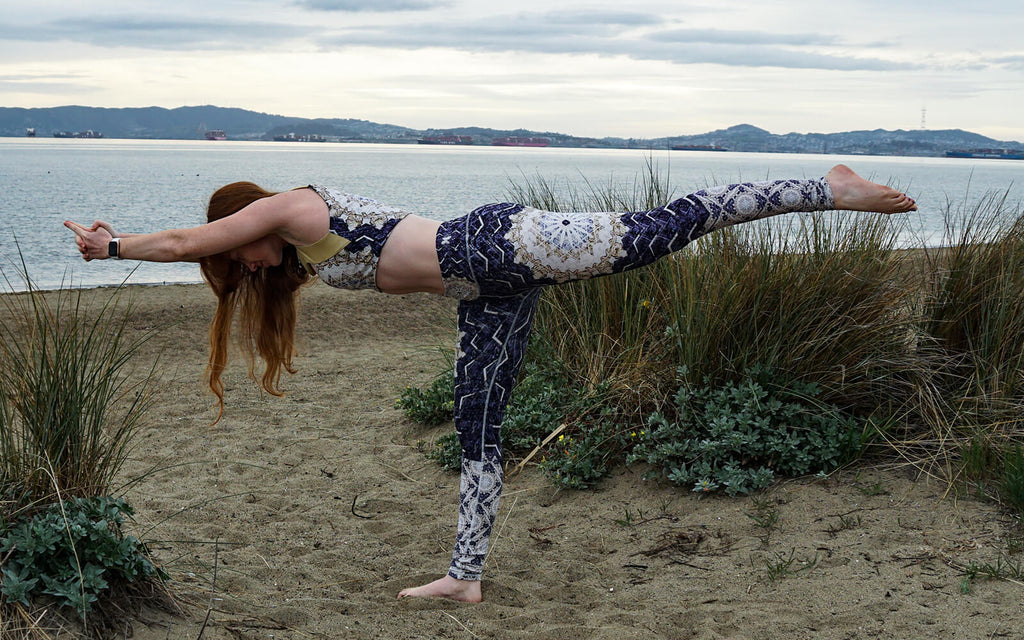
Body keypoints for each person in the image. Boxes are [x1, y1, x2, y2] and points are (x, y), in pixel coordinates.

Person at [65, 164, 916, 603]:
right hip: (483, 287)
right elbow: (216, 258)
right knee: (477, 424)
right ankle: (465, 575)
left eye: (236, 254)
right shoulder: (294, 253)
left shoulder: (289, 206)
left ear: (242, 219)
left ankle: (822, 190)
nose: (245, 266)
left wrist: (112, 249)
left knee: (657, 230)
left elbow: (184, 242)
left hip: (495, 244)